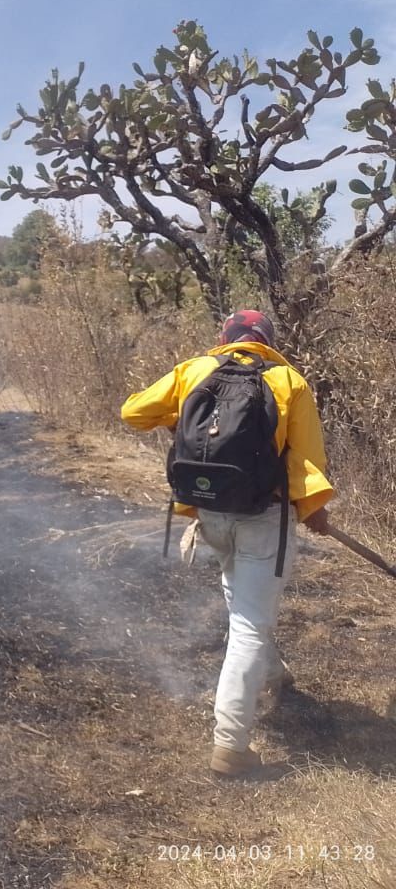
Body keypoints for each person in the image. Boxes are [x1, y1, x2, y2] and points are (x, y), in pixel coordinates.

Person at [120, 310, 333, 778]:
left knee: (244, 602)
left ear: (226, 338)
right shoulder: (288, 380)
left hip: (210, 512)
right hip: (262, 518)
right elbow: (305, 463)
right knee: (250, 627)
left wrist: (175, 418)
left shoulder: (195, 370)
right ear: (267, 341)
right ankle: (230, 747)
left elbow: (133, 411)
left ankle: (274, 674)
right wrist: (314, 509)